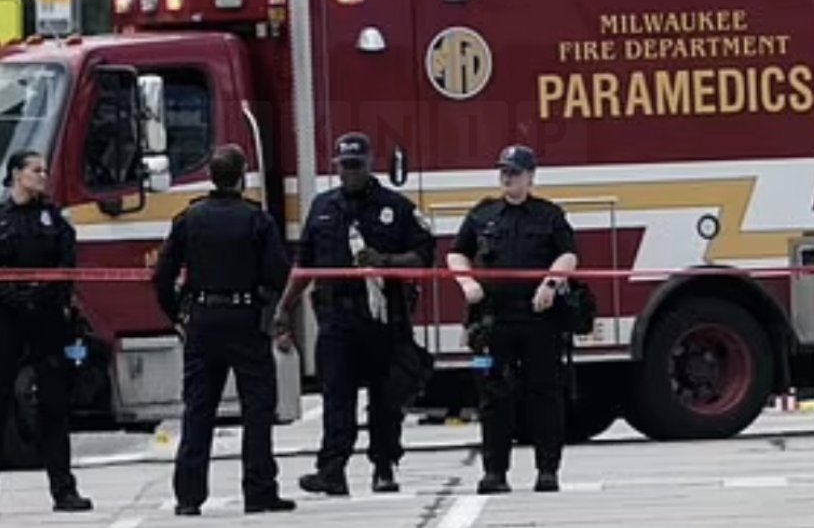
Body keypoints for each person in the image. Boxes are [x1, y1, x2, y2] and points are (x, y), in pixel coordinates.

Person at [274, 132, 435, 496]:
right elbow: (304, 267)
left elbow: (424, 258)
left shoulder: (396, 207)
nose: (349, 173)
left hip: (383, 319)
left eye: (356, 166)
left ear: (369, 164)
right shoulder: (323, 207)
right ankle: (332, 471)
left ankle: (384, 467)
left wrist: (385, 261)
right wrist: (284, 309)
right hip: (336, 319)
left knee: (385, 399)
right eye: (344, 167)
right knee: (336, 397)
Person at [152, 143, 295, 516]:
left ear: (211, 176)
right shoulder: (256, 219)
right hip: (245, 320)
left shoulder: (189, 217)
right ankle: (259, 491)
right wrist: (265, 304)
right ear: (243, 176)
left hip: (201, 320)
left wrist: (176, 315)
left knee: (198, 409)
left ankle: (188, 497)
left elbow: (162, 273)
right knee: (257, 409)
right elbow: (279, 273)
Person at [446, 144, 579, 495]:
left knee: (545, 396)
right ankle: (494, 473)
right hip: (491, 323)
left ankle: (547, 471)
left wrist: (552, 283)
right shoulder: (483, 213)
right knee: (492, 397)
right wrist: (466, 282)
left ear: (530, 176)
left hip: (539, 321)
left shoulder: (548, 215)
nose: (508, 177)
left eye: (515, 172)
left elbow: (569, 254)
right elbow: (456, 253)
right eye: (504, 171)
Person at [0, 150, 92, 514]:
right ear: (16, 175)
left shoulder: (55, 220)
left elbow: (67, 268)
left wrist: (42, 294)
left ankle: (63, 489)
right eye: (35, 170)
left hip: (48, 319)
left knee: (53, 403)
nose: (42, 176)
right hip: (6, 320)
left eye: (43, 170)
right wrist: (15, 297)